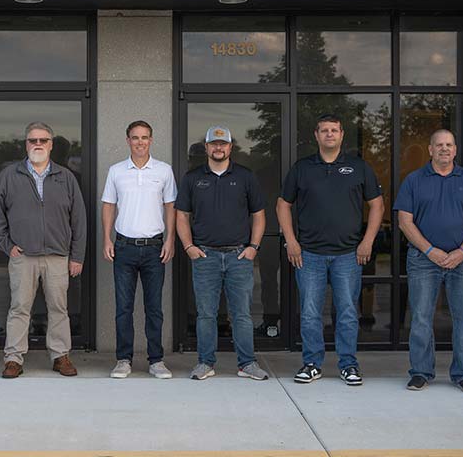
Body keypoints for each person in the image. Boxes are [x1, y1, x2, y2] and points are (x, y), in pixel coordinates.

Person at [277, 114, 384, 386]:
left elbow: (377, 205)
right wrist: (291, 240)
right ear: (316, 135)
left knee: (347, 311)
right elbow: (282, 205)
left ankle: (348, 364)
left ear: (341, 135)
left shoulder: (358, 167)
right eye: (324, 130)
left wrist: (368, 241)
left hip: (348, 254)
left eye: (334, 130)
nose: (329, 134)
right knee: (311, 312)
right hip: (309, 254)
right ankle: (312, 363)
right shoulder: (302, 168)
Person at [0, 122, 87, 378]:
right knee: (20, 308)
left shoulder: (66, 177)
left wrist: (77, 256)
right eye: (33, 140)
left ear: (51, 144)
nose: (38, 145)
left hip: (57, 256)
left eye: (43, 140)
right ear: (26, 144)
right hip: (23, 256)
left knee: (58, 308)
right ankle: (13, 358)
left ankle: (60, 355)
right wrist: (7, 246)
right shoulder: (10, 176)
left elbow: (79, 220)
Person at [395, 129, 463, 394]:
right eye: (439, 145)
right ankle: (421, 372)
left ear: (455, 150)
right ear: (430, 150)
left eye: (449, 145)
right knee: (422, 318)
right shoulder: (414, 180)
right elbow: (405, 221)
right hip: (423, 260)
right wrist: (430, 250)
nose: (444, 149)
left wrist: (462, 251)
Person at [175, 125, 268, 381]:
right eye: (214, 144)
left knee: (242, 314)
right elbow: (181, 215)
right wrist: (189, 247)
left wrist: (253, 247)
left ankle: (247, 363)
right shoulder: (193, 178)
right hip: (205, 256)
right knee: (206, 314)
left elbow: (259, 214)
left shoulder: (246, 177)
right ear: (206, 147)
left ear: (230, 147)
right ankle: (205, 363)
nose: (218, 148)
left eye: (223, 144)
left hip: (239, 256)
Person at [101, 120, 177, 379]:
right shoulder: (116, 171)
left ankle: (156, 361)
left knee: (154, 307)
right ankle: (123, 360)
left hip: (155, 247)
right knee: (124, 307)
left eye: (144, 137)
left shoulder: (164, 171)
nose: (140, 142)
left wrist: (170, 240)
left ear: (151, 140)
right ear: (128, 140)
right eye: (135, 137)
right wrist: (107, 239)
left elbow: (170, 207)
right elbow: (109, 205)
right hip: (124, 247)